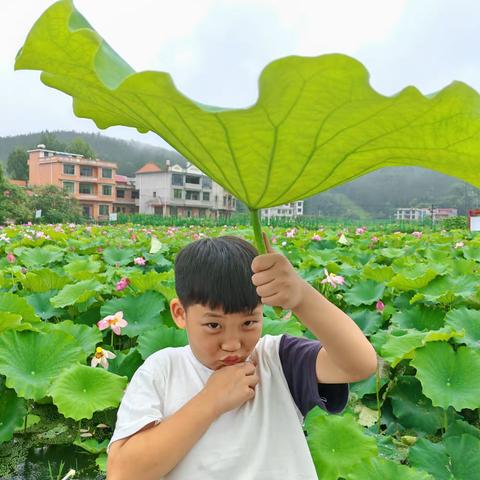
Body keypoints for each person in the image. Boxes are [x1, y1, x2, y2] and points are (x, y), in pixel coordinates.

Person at [106, 231, 378, 480]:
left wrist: (302, 297)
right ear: (180, 314)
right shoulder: (162, 371)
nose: (233, 344)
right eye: (214, 325)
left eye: (249, 323)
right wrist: (211, 400)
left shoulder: (278, 360)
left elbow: (360, 364)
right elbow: (122, 473)